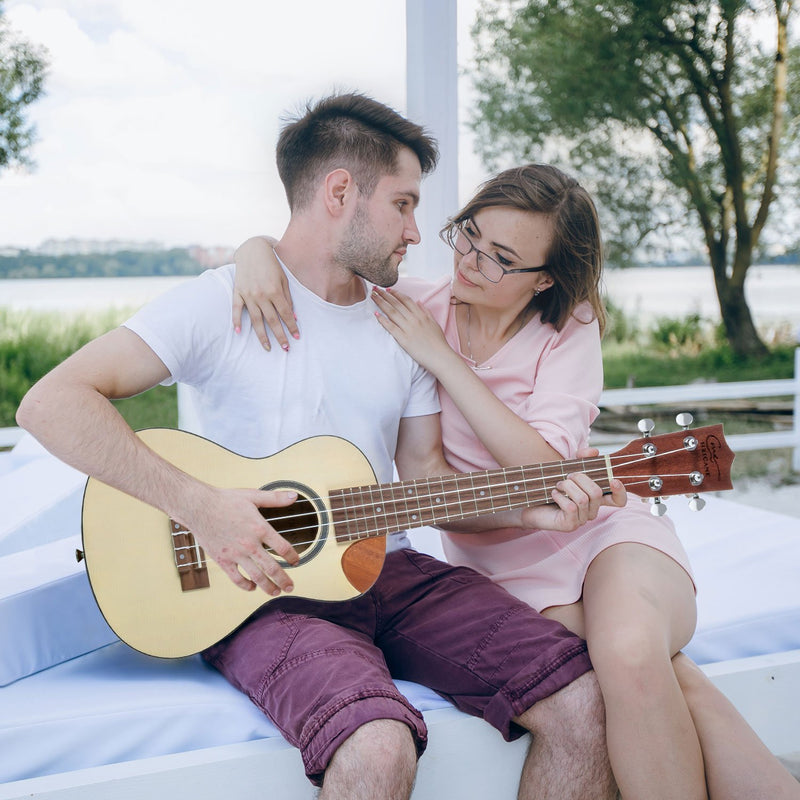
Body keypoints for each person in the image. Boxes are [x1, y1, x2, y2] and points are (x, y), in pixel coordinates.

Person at [16, 94, 627, 800]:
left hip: (391, 572)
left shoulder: (400, 324)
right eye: (402, 204)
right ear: (341, 192)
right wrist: (202, 508)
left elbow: (427, 478)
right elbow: (50, 403)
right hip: (260, 591)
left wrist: (527, 514)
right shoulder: (221, 303)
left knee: (584, 697)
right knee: (376, 748)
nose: (416, 231)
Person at [232, 162, 800, 800]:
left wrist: (443, 359)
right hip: (500, 561)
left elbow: (546, 474)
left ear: (546, 278)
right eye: (469, 235)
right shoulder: (411, 307)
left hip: (597, 524)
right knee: (667, 678)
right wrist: (253, 252)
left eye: (501, 258)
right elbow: (319, 264)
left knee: (632, 651)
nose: (471, 261)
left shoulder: (569, 326)